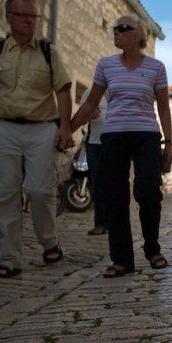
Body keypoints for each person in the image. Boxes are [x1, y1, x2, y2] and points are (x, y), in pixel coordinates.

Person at [0, 0, 73, 278]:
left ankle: (49, 241)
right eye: (24, 15)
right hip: (3, 127)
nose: (30, 20)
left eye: (34, 16)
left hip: (42, 128)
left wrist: (64, 127)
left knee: (40, 190)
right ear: (9, 17)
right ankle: (9, 257)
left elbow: (63, 90)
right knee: (3, 193)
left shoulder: (47, 52)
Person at [71, 14, 172, 278]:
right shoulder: (105, 65)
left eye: (122, 28)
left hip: (146, 135)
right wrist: (66, 128)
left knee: (149, 191)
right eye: (114, 28)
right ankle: (122, 259)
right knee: (114, 195)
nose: (115, 32)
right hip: (113, 135)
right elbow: (92, 102)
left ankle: (152, 248)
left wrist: (169, 144)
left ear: (138, 35)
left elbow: (163, 107)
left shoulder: (156, 68)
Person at [78, 88, 108, 235]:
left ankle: (115, 223)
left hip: (116, 143)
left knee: (116, 184)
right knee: (97, 184)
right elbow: (82, 116)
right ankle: (100, 223)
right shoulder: (90, 93)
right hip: (94, 144)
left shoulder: (119, 90)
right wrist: (90, 112)